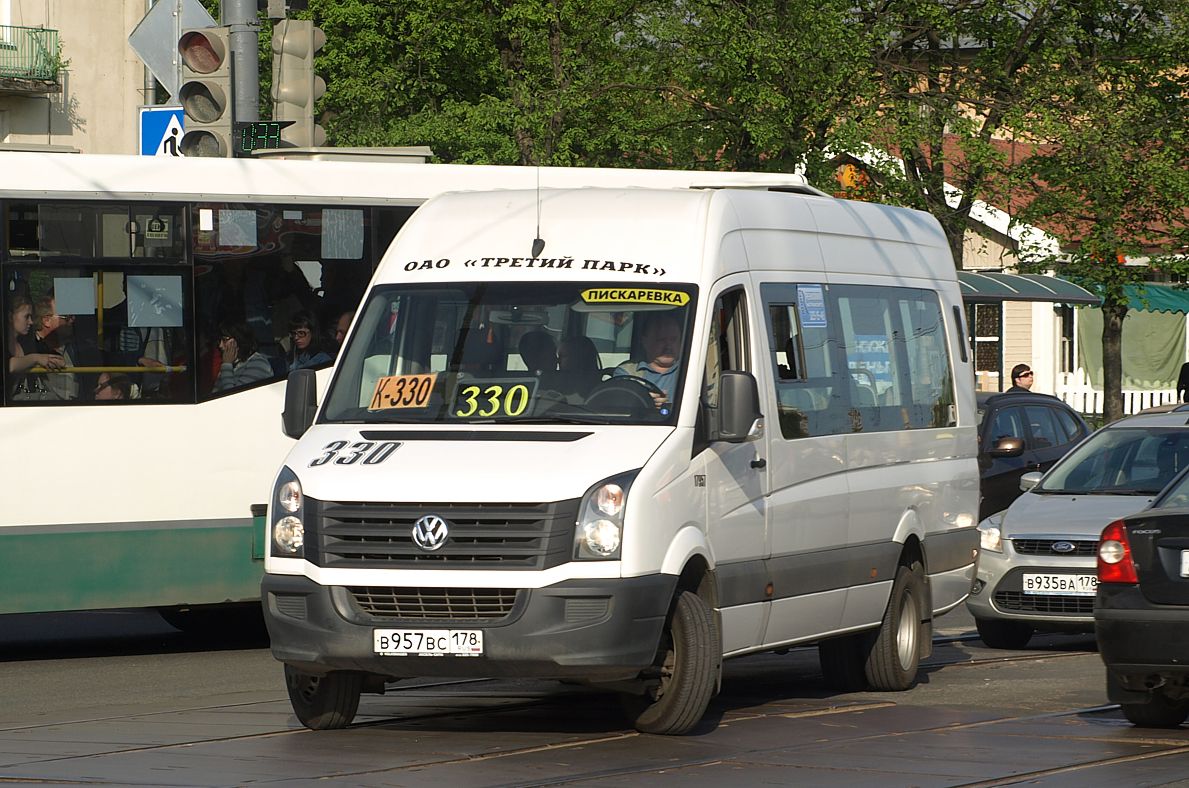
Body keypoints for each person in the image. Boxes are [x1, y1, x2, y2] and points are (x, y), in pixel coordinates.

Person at [614, 312, 683, 404]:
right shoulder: (627, 373)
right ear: (645, 342)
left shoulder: (692, 370)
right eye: (661, 340)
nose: (668, 346)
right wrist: (644, 402)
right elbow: (619, 407)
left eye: (673, 339)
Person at [5, 293, 65, 398]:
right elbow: (9, 366)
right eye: (26, 317)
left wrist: (53, 359)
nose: (31, 322)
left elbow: (50, 356)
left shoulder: (29, 343)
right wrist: (35, 358)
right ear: (10, 317)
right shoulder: (5, 344)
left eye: (31, 317)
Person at [32, 296, 79, 400]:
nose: (72, 320)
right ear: (46, 321)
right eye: (66, 316)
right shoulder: (32, 348)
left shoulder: (74, 347)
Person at [213, 321, 274, 392]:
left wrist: (227, 365)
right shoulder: (232, 365)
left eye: (224, 340)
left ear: (238, 338)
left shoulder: (258, 363)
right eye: (219, 341)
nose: (220, 345)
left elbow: (233, 398)